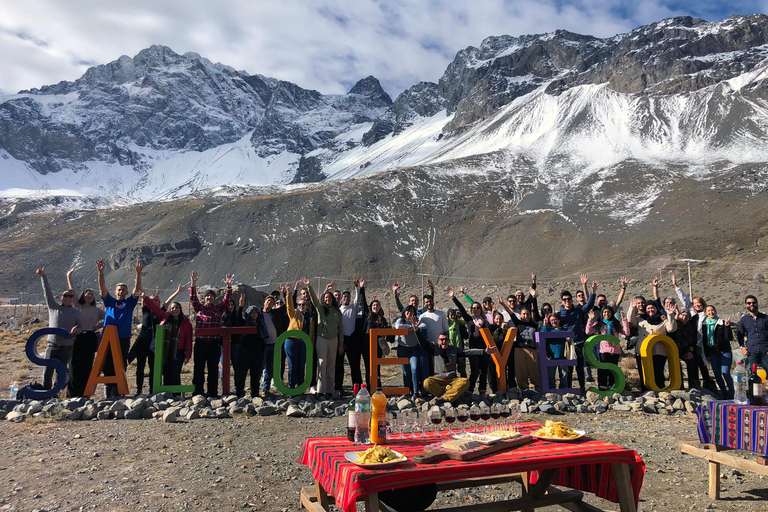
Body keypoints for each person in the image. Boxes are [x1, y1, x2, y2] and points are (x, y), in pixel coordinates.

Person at [414, 323, 497, 404]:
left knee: (465, 382)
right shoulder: (434, 349)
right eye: (442, 340)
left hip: (452, 380)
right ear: (438, 341)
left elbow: (468, 352)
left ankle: (444, 398)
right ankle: (451, 395)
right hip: (439, 380)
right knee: (427, 383)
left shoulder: (454, 350)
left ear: (449, 341)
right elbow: (423, 343)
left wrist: (484, 351)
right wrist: (417, 331)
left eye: (446, 339)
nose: (444, 342)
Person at [96, 258, 142, 397]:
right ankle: (108, 392)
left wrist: (138, 274)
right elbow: (102, 288)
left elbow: (137, 290)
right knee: (106, 364)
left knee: (121, 364)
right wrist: (101, 273)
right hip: (107, 338)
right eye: (119, 290)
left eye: (123, 290)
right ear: (115, 292)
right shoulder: (109, 302)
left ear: (126, 293)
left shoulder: (129, 303)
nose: (121, 292)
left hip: (123, 338)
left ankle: (118, 391)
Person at [127, 284, 184, 394]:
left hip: (155, 343)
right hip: (143, 341)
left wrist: (178, 292)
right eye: (152, 299)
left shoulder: (162, 311)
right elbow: (141, 292)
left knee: (154, 367)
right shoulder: (145, 309)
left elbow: (168, 301)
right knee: (140, 366)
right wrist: (139, 275)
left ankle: (153, 390)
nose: (154, 301)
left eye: (157, 300)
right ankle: (139, 389)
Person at [189, 270, 233, 397]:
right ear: (205, 298)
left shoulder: (218, 309)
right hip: (201, 343)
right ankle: (198, 392)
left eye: (211, 296)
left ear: (214, 298)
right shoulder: (199, 308)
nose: (209, 297)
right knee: (199, 368)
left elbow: (227, 300)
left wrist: (228, 287)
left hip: (214, 344)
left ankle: (212, 392)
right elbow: (193, 298)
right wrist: (193, 283)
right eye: (207, 296)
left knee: (213, 369)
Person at [36, 267, 81, 390]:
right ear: (62, 297)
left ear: (73, 298)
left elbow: (80, 327)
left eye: (71, 296)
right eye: (66, 296)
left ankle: (56, 393)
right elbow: (47, 293)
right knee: (47, 371)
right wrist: (43, 276)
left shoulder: (76, 312)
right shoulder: (54, 307)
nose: (68, 298)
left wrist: (76, 331)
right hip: (52, 345)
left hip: (67, 346)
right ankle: (45, 392)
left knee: (61, 371)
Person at [448, 287, 495, 395]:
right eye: (474, 308)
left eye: (478, 307)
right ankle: (470, 391)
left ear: (481, 308)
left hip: (485, 349)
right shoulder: (469, 320)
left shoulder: (486, 322)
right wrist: (454, 297)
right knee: (474, 371)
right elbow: (461, 308)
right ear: (471, 310)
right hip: (473, 350)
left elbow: (492, 331)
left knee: (483, 371)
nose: (476, 309)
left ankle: (482, 391)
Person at [66, 267, 105, 397]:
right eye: (87, 294)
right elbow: (73, 291)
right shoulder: (78, 306)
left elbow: (110, 318)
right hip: (77, 338)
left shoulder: (97, 310)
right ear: (84, 296)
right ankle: (72, 394)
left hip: (90, 338)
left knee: (87, 365)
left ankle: (85, 393)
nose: (90, 296)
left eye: (92, 295)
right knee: (74, 364)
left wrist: (98, 325)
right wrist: (69, 276)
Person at [141, 294, 193, 388]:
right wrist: (145, 298)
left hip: (178, 352)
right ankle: (167, 394)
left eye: (177, 307)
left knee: (175, 373)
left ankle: (176, 394)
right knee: (166, 372)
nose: (175, 309)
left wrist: (188, 355)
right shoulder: (165, 317)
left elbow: (189, 341)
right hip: (165, 351)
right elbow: (155, 309)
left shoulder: (186, 323)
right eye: (172, 308)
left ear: (180, 309)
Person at [671, 275, 713, 386]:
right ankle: (694, 382)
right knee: (695, 362)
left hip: (704, 343)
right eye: (695, 303)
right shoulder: (691, 313)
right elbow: (684, 299)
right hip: (693, 343)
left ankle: (707, 382)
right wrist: (676, 287)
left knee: (703, 363)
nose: (697, 305)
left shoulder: (707, 314)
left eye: (699, 303)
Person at [558, 274, 596, 395]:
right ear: (562, 301)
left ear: (572, 300)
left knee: (579, 366)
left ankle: (581, 387)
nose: (567, 301)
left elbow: (589, 305)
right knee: (568, 367)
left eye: (569, 299)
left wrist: (593, 292)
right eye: (564, 300)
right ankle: (568, 388)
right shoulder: (560, 314)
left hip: (579, 342)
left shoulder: (578, 311)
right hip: (566, 344)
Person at [628, 300, 677, 390]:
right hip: (642, 351)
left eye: (652, 308)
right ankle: (645, 390)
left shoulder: (663, 320)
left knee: (658, 371)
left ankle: (659, 390)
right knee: (644, 371)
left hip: (659, 351)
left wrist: (670, 315)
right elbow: (631, 321)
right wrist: (632, 308)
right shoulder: (641, 320)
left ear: (656, 309)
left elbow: (671, 329)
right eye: (648, 308)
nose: (651, 310)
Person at [308, 282, 344, 399]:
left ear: (333, 299)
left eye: (329, 297)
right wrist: (310, 286)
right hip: (322, 339)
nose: (328, 299)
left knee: (331, 365)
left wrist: (341, 344)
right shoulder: (321, 310)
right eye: (326, 297)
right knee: (322, 363)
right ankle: (320, 390)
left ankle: (329, 389)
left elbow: (341, 329)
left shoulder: (337, 312)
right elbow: (314, 300)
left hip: (333, 340)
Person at [499, 299, 540, 391]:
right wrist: (503, 304)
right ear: (521, 315)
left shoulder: (535, 325)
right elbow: (511, 313)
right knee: (521, 371)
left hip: (532, 349)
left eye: (527, 314)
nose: (526, 316)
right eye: (524, 314)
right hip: (519, 349)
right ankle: (523, 389)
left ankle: (537, 388)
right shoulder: (518, 323)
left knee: (534, 370)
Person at [585, 306, 630, 390]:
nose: (607, 314)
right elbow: (588, 331)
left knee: (613, 369)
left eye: (608, 312)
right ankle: (602, 386)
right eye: (604, 312)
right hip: (604, 350)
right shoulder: (599, 324)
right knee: (603, 368)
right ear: (602, 313)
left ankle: (612, 386)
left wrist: (624, 320)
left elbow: (626, 333)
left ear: (612, 313)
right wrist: (590, 320)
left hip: (615, 351)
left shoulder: (616, 324)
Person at [284, 280, 314, 389]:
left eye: (303, 304)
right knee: (292, 366)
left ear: (307, 305)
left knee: (301, 366)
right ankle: (292, 387)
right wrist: (289, 293)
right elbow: (289, 306)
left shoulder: (310, 318)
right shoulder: (294, 314)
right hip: (292, 341)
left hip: (303, 343)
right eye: (299, 304)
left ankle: (301, 387)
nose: (301, 306)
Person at [393, 305, 427, 398]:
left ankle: (415, 391)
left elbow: (423, 326)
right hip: (403, 349)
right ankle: (407, 390)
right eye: (407, 312)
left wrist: (415, 326)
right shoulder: (400, 321)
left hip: (414, 349)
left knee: (415, 369)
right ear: (405, 313)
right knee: (406, 371)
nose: (409, 313)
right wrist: (413, 328)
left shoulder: (417, 321)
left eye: (412, 312)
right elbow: (399, 328)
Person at [700, 305, 734, 399]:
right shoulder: (704, 325)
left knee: (725, 372)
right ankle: (724, 393)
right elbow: (704, 341)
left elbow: (729, 338)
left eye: (713, 310)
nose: (711, 312)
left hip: (724, 351)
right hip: (713, 352)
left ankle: (732, 392)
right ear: (706, 313)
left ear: (716, 311)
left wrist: (727, 327)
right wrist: (707, 355)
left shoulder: (721, 323)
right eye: (709, 311)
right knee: (717, 374)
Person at [336, 279, 362, 398]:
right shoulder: (338, 311)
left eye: (348, 297)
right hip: (341, 340)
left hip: (352, 340)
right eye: (344, 297)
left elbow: (358, 298)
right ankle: (339, 388)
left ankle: (357, 389)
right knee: (339, 365)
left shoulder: (353, 308)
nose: (346, 298)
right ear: (341, 298)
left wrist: (357, 287)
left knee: (355, 366)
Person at [236, 304, 266, 397]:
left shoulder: (261, 324)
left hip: (258, 353)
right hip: (245, 352)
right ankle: (240, 392)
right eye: (252, 312)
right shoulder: (244, 323)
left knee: (256, 374)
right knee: (242, 374)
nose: (254, 314)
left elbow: (263, 338)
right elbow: (238, 318)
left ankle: (255, 393)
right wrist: (240, 307)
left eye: (255, 312)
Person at [670, 307, 700, 389]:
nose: (684, 317)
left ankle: (694, 385)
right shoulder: (675, 324)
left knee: (693, 362)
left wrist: (690, 351)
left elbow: (693, 340)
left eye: (687, 316)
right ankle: (679, 385)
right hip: (674, 350)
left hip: (687, 350)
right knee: (677, 366)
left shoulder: (691, 327)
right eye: (682, 315)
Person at [737, 295, 768, 374]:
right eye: (749, 303)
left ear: (757, 304)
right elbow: (740, 335)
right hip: (752, 350)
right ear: (746, 305)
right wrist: (742, 347)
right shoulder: (744, 320)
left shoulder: (765, 318)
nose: (751, 304)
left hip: (765, 349)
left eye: (753, 303)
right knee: (753, 374)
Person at [541, 313, 568, 389]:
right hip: (551, 356)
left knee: (563, 376)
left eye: (555, 319)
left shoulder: (564, 330)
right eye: (552, 320)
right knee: (551, 376)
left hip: (563, 355)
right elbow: (541, 336)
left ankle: (563, 391)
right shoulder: (548, 330)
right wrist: (544, 325)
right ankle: (552, 391)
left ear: (559, 320)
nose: (554, 321)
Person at [446, 308, 468, 377]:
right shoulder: (446, 324)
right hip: (450, 348)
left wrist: (460, 327)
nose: (453, 317)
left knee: (461, 369)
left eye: (454, 315)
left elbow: (466, 336)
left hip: (459, 347)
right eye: (451, 315)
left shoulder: (460, 324)